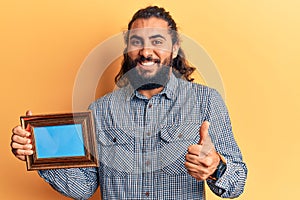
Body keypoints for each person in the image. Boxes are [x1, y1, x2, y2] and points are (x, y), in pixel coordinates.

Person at [11, 6, 247, 200]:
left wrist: (217, 168)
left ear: (174, 49)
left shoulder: (206, 101)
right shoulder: (101, 111)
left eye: (157, 41)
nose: (146, 51)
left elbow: (237, 183)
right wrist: (41, 154)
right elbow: (83, 188)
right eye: (137, 42)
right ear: (127, 50)